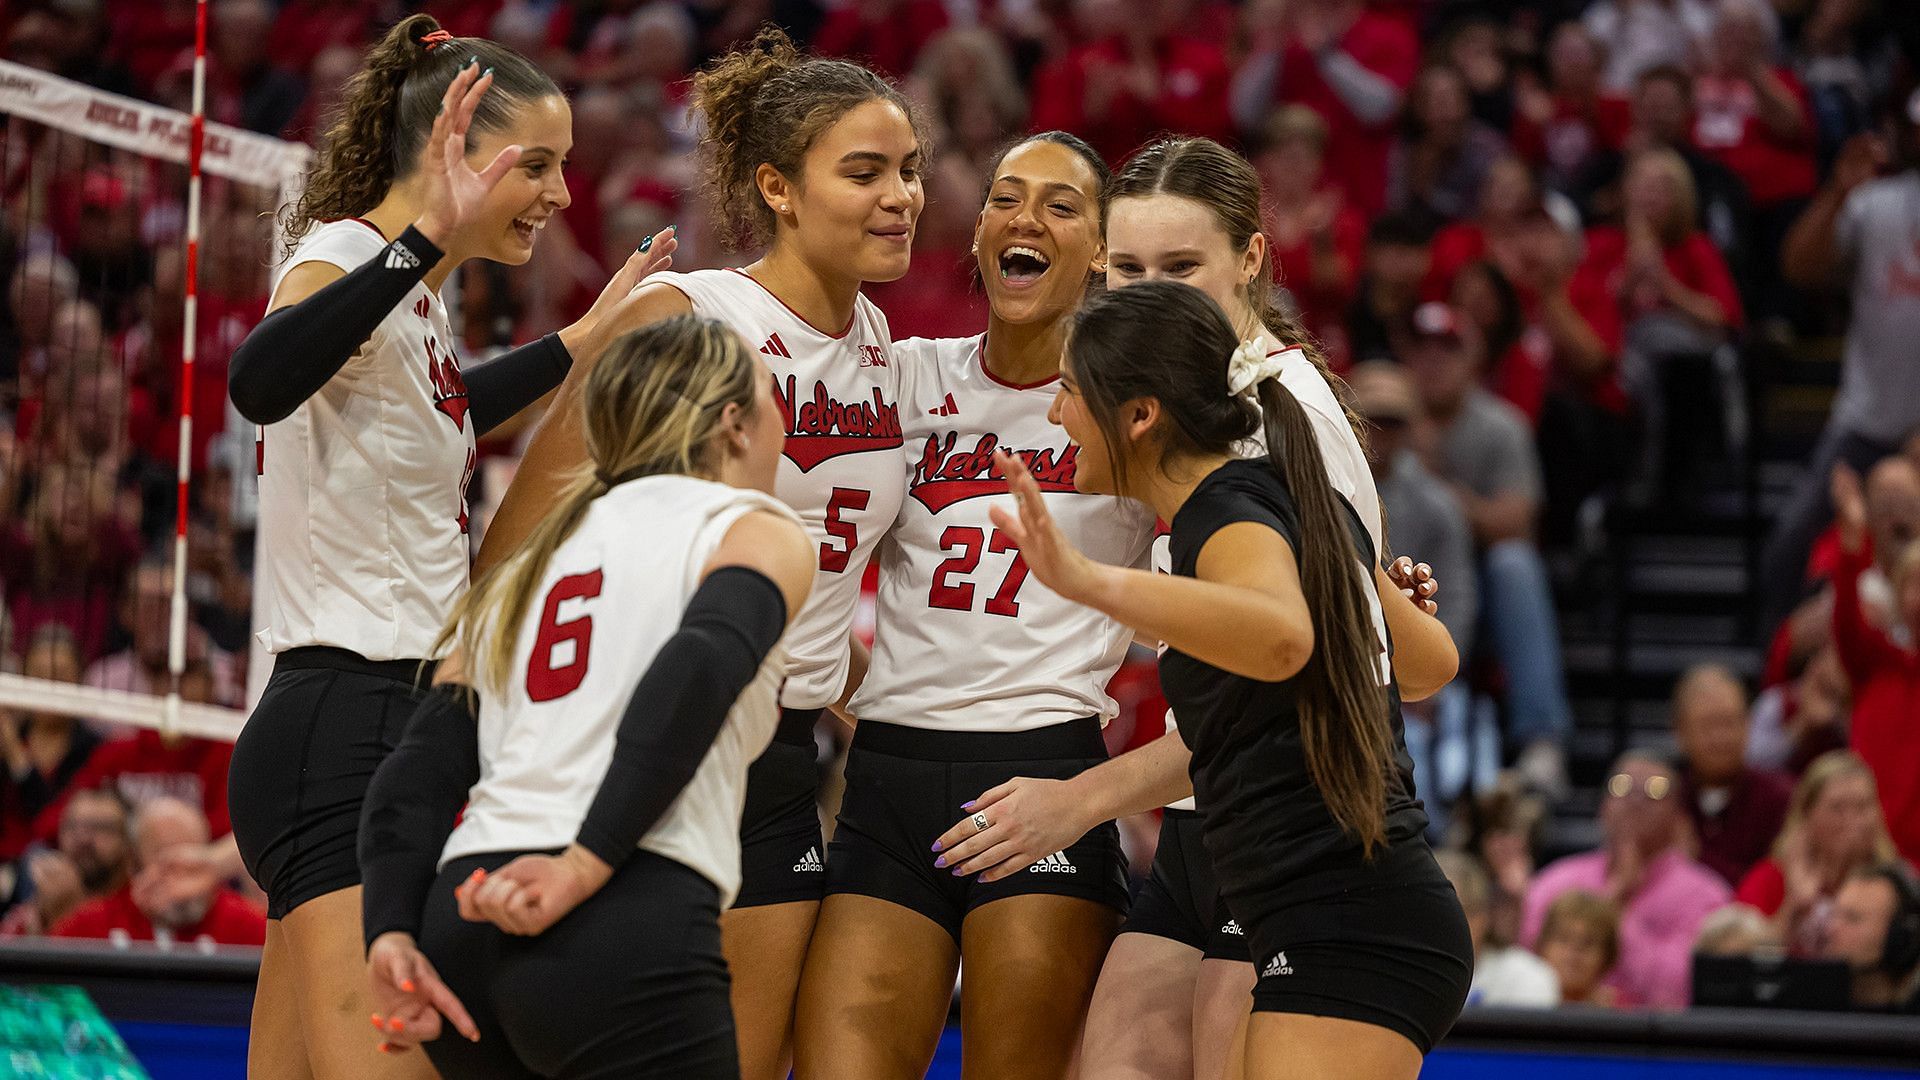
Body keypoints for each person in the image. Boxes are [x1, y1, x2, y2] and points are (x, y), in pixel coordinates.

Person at [924, 136, 1442, 1080]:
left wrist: (1079, 798)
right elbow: (1416, 659)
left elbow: (1308, 667)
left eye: (1180, 267)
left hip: (1313, 826)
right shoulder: (1186, 422)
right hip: (1216, 828)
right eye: (1125, 268)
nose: (1146, 290)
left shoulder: (1270, 423)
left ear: (1250, 259)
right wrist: (1384, 604)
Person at [220, 16, 676, 1078]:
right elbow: (261, 381)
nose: (564, 195)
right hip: (344, 733)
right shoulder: (349, 254)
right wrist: (421, 234)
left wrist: (582, 342)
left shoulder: (412, 304)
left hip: (364, 730)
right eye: (540, 166)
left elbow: (445, 410)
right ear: (455, 151)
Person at [475, 28, 923, 1080]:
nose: (900, 195)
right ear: (776, 186)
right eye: (863, 172)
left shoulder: (884, 355)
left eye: (907, 169)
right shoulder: (687, 315)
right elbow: (520, 550)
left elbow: (812, 588)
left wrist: (864, 684)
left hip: (776, 764)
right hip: (641, 746)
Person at [355, 315, 815, 1077]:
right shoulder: (750, 527)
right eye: (774, 401)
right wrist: (584, 864)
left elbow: (422, 762)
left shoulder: (530, 559)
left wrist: (390, 931)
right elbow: (696, 671)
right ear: (734, 424)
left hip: (462, 917)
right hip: (615, 904)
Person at [793, 132, 1145, 1080]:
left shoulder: (1137, 410)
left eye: (1062, 205)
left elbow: (1231, 579)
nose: (1026, 218)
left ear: (1105, 250)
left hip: (1040, 771)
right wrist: (848, 682)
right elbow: (805, 548)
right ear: (980, 229)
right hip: (887, 777)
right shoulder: (906, 378)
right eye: (1005, 197)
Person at [1402, 300, 1573, 797]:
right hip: (1400, 570)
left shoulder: (1499, 426)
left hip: (1471, 582)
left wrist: (1438, 488)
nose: (1434, 363)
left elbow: (1517, 521)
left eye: (1447, 350)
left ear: (1472, 360)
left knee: (1514, 564)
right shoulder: (1382, 421)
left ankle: (1542, 740)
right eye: (1423, 351)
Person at [1767, 103, 1920, 627]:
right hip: (1868, 419)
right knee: (1789, 547)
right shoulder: (1875, 203)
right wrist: (1839, 191)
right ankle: (1773, 670)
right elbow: (1798, 268)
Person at [1524, 751, 1731, 1009]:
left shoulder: (1706, 895)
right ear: (1603, 806)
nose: (1635, 800)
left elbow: (1677, 990)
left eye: (1654, 791)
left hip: (1649, 1043)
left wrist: (1620, 912)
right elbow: (1524, 969)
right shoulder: (1558, 880)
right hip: (1553, 1031)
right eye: (1621, 787)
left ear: (1679, 816)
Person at [1828, 465, 1920, 865]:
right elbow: (1846, 622)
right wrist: (1852, 548)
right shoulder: (1875, 664)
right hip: (1873, 856)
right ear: (1897, 596)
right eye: (1912, 585)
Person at [1736, 750, 1903, 955]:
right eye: (1837, 808)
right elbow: (1743, 964)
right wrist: (1794, 907)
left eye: (1862, 807)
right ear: (1806, 815)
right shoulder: (1769, 880)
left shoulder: (1898, 884)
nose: (1852, 820)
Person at [51, 796, 266, 947]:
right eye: (167, 859)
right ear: (135, 865)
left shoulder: (250, 927)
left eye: (193, 859)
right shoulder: (88, 929)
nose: (181, 875)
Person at [1670, 664, 1792, 886]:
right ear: (1680, 732)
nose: (1720, 738)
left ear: (1748, 726)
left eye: (1729, 723)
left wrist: (1698, 860)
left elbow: (1774, 885)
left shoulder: (1780, 799)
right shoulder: (1669, 802)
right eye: (1708, 725)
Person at [1436, 849, 1558, 1007]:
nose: (1444, 929)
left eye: (1464, 912)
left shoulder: (1530, 977)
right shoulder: (1401, 972)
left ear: (1484, 916)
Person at [1821, 864, 1920, 1013]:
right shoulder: (1807, 1007)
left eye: (1853, 918)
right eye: (1834, 914)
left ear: (1900, 935)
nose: (1830, 930)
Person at [1535, 889, 1623, 1006]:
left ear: (1607, 957)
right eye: (1563, 939)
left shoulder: (1624, 1013)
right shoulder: (1517, 1001)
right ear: (1543, 946)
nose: (1574, 951)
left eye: (1587, 943)